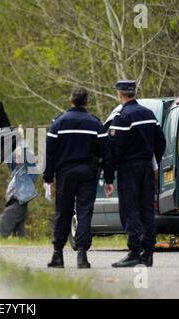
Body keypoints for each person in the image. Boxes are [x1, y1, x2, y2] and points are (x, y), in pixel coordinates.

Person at [44, 87, 113, 269]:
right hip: (87, 174)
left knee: (63, 212)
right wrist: (109, 179)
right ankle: (82, 256)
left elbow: (49, 153)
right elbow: (106, 154)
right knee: (84, 213)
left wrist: (48, 178)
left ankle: (57, 254)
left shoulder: (58, 123)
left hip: (65, 173)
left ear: (71, 100)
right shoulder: (95, 124)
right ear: (87, 102)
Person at [106, 80, 166, 268]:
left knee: (130, 209)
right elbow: (161, 142)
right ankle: (148, 253)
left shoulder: (122, 117)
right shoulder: (149, 114)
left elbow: (117, 148)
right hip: (147, 168)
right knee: (147, 210)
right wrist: (153, 161)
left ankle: (134, 252)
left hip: (129, 169)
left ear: (120, 94)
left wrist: (110, 172)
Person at [0, 125, 39, 238]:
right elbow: (8, 157)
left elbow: (28, 156)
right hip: (14, 203)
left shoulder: (30, 171)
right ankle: (21, 244)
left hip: (19, 203)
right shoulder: (16, 169)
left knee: (4, 221)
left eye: (19, 155)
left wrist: (22, 138)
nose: (17, 156)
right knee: (19, 233)